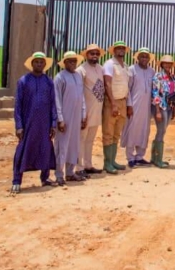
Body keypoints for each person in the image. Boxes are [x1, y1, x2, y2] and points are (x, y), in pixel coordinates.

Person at [10, 52, 57, 195]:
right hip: (28, 123)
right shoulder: (23, 81)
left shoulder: (49, 82)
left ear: (45, 64)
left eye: (41, 62)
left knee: (45, 148)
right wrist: (19, 126)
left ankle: (45, 178)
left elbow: (53, 104)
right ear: (32, 63)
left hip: (44, 123)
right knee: (23, 150)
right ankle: (17, 181)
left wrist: (53, 123)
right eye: (36, 62)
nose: (39, 64)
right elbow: (18, 105)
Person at [52, 51, 87, 185]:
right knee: (62, 145)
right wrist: (60, 119)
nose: (73, 63)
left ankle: (70, 172)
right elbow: (57, 100)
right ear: (64, 62)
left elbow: (82, 97)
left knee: (73, 145)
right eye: (70, 61)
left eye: (74, 61)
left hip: (77, 116)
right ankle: (59, 174)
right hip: (65, 118)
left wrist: (84, 115)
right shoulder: (60, 77)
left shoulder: (78, 76)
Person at [102, 41, 133, 175]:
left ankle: (113, 161)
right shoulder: (109, 64)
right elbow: (107, 84)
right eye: (118, 48)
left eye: (122, 48)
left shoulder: (125, 66)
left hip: (123, 102)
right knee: (108, 132)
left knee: (116, 133)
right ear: (113, 51)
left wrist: (129, 104)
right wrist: (113, 103)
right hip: (112, 102)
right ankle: (107, 163)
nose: (121, 50)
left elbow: (127, 86)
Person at [122, 47, 156, 168]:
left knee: (144, 130)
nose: (144, 58)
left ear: (149, 59)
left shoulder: (152, 71)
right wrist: (129, 105)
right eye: (142, 56)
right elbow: (127, 88)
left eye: (146, 56)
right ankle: (130, 157)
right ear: (137, 58)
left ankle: (140, 156)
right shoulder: (132, 70)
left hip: (146, 107)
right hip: (134, 106)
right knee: (132, 130)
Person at [76, 43, 105, 178]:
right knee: (81, 139)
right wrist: (82, 113)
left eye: (96, 53)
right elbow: (79, 92)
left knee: (90, 139)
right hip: (85, 111)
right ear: (86, 55)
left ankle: (88, 165)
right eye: (92, 53)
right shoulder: (81, 70)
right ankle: (79, 167)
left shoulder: (100, 69)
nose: (94, 56)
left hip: (97, 110)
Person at [151, 55, 175, 168]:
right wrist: (157, 111)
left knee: (162, 131)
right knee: (161, 131)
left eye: (169, 63)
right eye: (165, 63)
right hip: (161, 107)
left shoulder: (171, 77)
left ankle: (154, 157)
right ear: (161, 64)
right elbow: (155, 93)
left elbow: (174, 93)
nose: (167, 65)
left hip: (169, 107)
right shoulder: (158, 76)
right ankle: (158, 159)